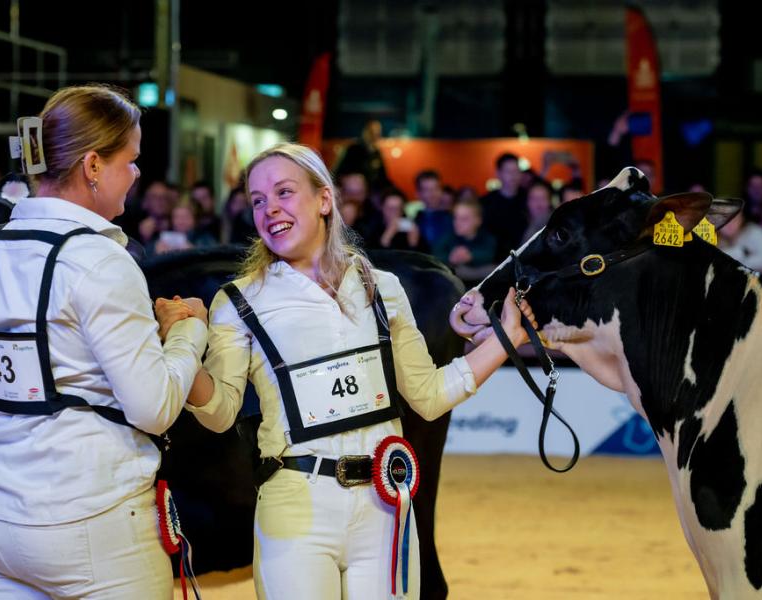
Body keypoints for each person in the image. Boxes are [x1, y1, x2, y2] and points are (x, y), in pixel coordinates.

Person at [183, 142, 536, 599]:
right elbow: (219, 413)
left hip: (384, 507)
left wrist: (509, 338)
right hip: (296, 510)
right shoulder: (237, 301)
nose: (269, 209)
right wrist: (187, 348)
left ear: (324, 199)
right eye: (257, 200)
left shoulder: (380, 286)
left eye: (284, 193)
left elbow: (428, 395)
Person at [0, 84, 208, 598]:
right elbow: (154, 408)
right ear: (93, 165)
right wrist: (187, 335)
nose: (136, 174)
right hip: (94, 522)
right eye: (130, 160)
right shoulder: (102, 260)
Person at [432, 198, 497, 286]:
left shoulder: (488, 238)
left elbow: (489, 254)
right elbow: (434, 257)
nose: (457, 222)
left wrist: (470, 255)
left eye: (464, 219)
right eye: (455, 218)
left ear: (478, 220)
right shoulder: (447, 237)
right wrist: (450, 258)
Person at [479, 153, 527, 261]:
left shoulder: (528, 199)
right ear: (498, 173)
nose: (513, 176)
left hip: (524, 258)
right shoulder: (485, 203)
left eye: (516, 171)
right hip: (493, 259)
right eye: (508, 172)